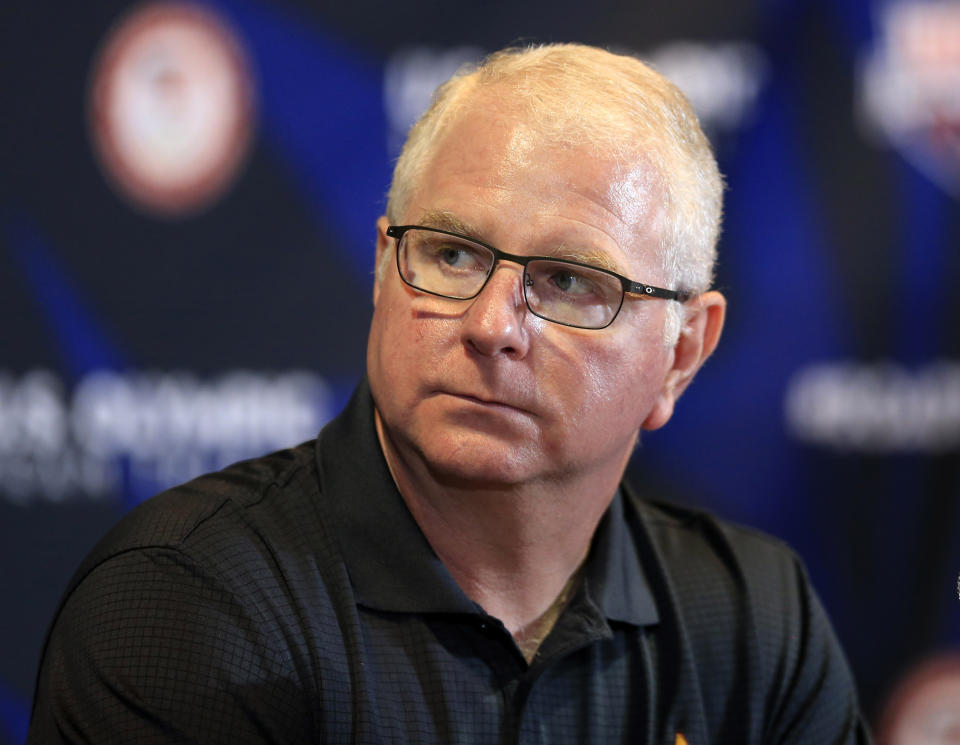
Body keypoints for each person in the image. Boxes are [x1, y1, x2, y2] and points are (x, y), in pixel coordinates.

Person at [28, 43, 871, 744]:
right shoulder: (182, 603)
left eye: (570, 280)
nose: (491, 324)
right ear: (382, 269)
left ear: (682, 352)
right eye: (453, 255)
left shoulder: (757, 621)